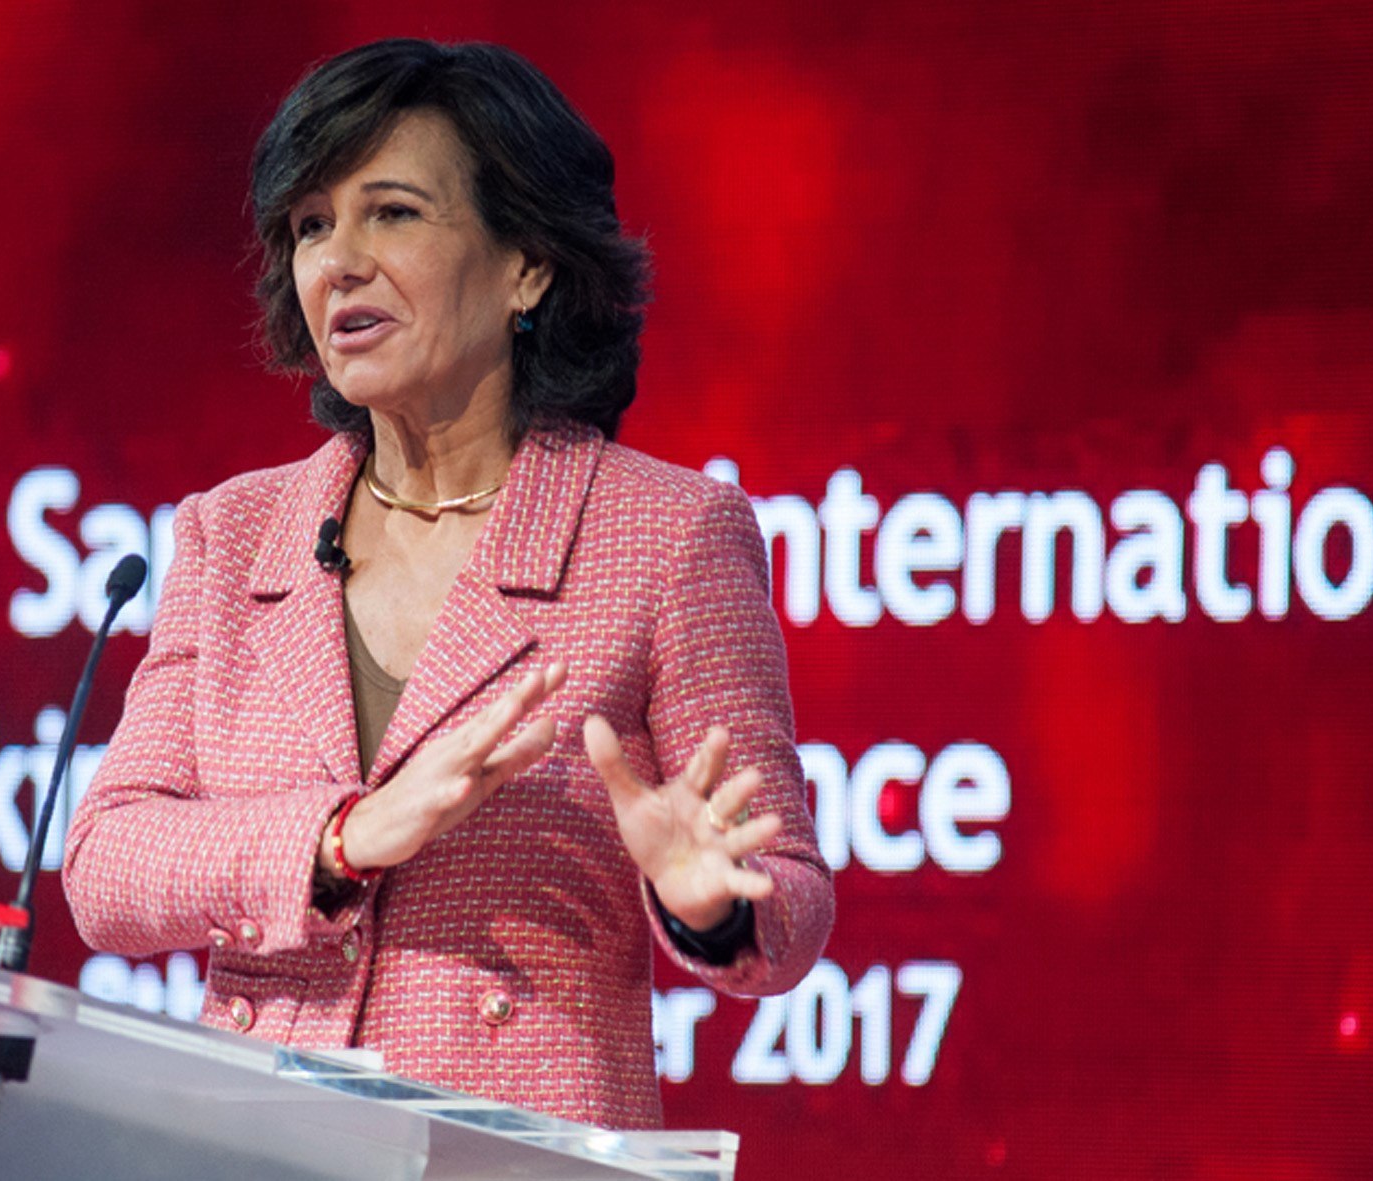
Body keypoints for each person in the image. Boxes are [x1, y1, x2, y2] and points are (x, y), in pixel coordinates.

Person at [62, 38, 833, 1130]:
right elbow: (104, 868)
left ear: (527, 263)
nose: (337, 261)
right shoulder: (234, 534)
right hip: (257, 1148)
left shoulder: (667, 535)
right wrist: (339, 836)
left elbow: (791, 902)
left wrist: (708, 899)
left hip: (510, 1150)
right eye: (311, 224)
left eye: (393, 213)